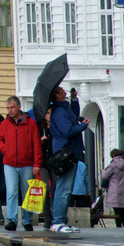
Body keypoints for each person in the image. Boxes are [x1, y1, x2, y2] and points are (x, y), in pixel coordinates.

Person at [0, 97, 43, 232]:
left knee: (27, 193)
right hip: (9, 164)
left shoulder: (30, 123)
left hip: (27, 164)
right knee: (11, 192)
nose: (10, 110)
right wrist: (6, 149)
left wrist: (37, 163)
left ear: (19, 107)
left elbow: (36, 144)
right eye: (8, 108)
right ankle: (11, 220)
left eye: (12, 108)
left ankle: (27, 220)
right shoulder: (5, 124)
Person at [49, 86, 88, 233]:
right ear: (57, 95)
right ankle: (58, 221)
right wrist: (83, 125)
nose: (63, 89)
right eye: (60, 89)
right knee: (63, 188)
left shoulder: (63, 108)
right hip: (65, 153)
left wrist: (73, 99)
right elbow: (68, 130)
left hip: (70, 152)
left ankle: (61, 220)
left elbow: (73, 115)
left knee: (65, 188)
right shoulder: (59, 112)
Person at [101, 149, 124, 228]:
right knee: (123, 211)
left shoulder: (112, 165)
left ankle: (118, 227)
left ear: (113, 155)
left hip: (114, 190)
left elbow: (104, 176)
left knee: (117, 211)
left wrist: (103, 171)